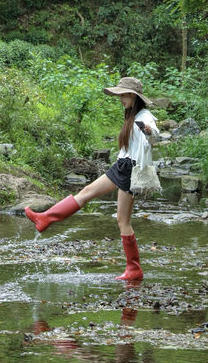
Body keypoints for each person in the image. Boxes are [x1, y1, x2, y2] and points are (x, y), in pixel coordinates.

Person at [24, 76, 160, 281]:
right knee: (88, 194)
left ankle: (134, 269)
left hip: (129, 170)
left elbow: (153, 134)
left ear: (133, 95)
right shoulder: (131, 116)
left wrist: (148, 130)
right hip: (123, 166)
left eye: (123, 95)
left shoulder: (143, 116)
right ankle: (45, 218)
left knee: (122, 220)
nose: (120, 99)